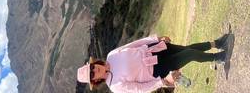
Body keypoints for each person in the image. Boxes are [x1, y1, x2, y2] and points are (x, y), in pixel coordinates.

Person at [77, 34, 229, 92]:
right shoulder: (115, 86)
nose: (94, 70)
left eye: (91, 68)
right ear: (95, 80)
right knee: (189, 55)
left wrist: (155, 39)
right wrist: (163, 81)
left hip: (155, 49)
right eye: (92, 74)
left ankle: (217, 43)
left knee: (187, 49)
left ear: (93, 63)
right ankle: (219, 58)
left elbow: (135, 44)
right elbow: (141, 89)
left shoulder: (111, 55)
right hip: (157, 69)